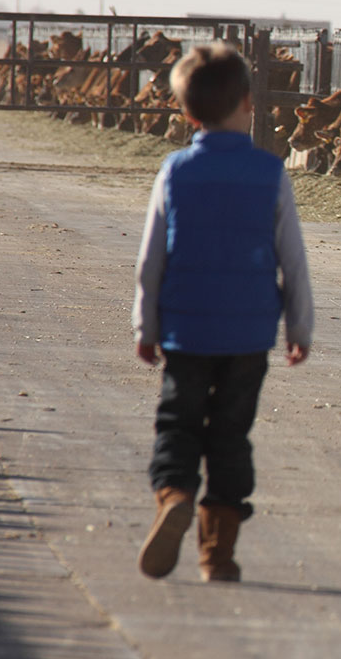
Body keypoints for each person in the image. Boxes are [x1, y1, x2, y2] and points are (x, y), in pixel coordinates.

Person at [132, 42, 313, 583]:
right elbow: (293, 260)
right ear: (249, 103)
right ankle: (217, 554)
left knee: (178, 426)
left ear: (186, 113)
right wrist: (299, 327)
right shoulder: (270, 173)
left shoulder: (174, 171)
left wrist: (146, 325)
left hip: (186, 331)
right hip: (248, 333)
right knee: (231, 435)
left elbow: (151, 257)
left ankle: (174, 495)